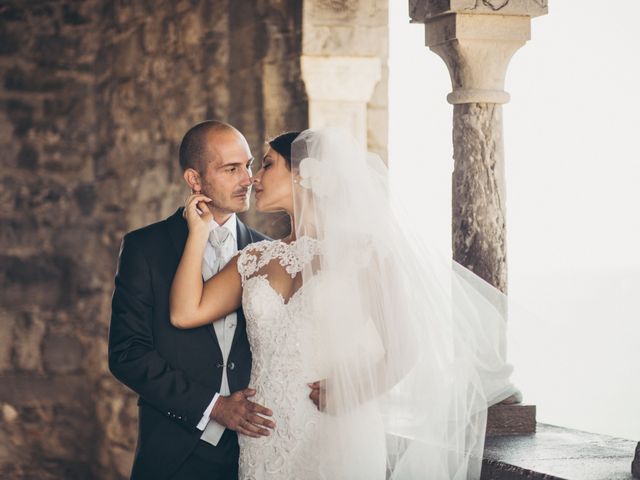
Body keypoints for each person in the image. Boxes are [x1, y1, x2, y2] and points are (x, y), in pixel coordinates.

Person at [170, 128, 517, 479]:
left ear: (303, 174)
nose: (253, 178)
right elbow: (185, 312)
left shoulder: (366, 253)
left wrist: (352, 393)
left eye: (267, 165)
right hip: (264, 437)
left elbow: (404, 348)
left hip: (337, 430)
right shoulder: (253, 258)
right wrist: (198, 234)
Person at [108, 121, 273, 480]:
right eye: (230, 169)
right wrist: (213, 406)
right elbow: (128, 354)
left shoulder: (269, 254)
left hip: (257, 449)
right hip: (174, 450)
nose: (247, 179)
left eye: (248, 165)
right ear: (194, 180)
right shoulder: (145, 248)